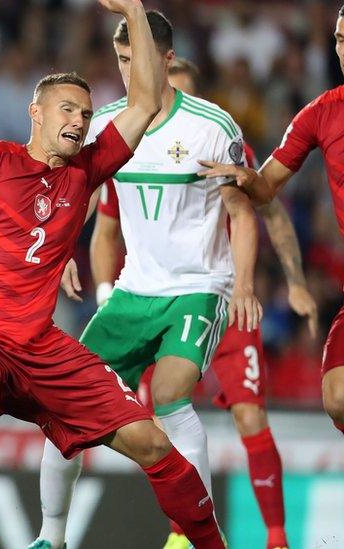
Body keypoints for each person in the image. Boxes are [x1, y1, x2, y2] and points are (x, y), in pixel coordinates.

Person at [0, 1, 225, 547]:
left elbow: (148, 100)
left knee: (151, 442)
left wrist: (131, 8)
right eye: (66, 110)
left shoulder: (88, 169)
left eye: (85, 113)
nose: (78, 120)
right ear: (36, 112)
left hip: (42, 348)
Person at [28, 11, 264, 549]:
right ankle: (52, 537)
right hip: (136, 291)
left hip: (199, 286)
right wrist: (64, 249)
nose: (130, 69)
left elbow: (241, 210)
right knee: (63, 402)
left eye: (138, 59)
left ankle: (189, 535)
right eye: (122, 60)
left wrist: (244, 284)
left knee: (171, 393)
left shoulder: (212, 125)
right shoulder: (111, 123)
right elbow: (82, 194)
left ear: (168, 60)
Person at [78, 57, 313, 549]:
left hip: (224, 300)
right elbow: (105, 228)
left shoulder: (221, 142)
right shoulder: (132, 146)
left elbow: (266, 213)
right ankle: (182, 533)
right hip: (157, 304)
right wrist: (106, 296)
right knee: (164, 410)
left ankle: (276, 538)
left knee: (248, 414)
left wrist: (292, 280)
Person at [199, 4, 344, 441]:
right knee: (336, 394)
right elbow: (267, 189)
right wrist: (247, 178)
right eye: (339, 38)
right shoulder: (321, 114)